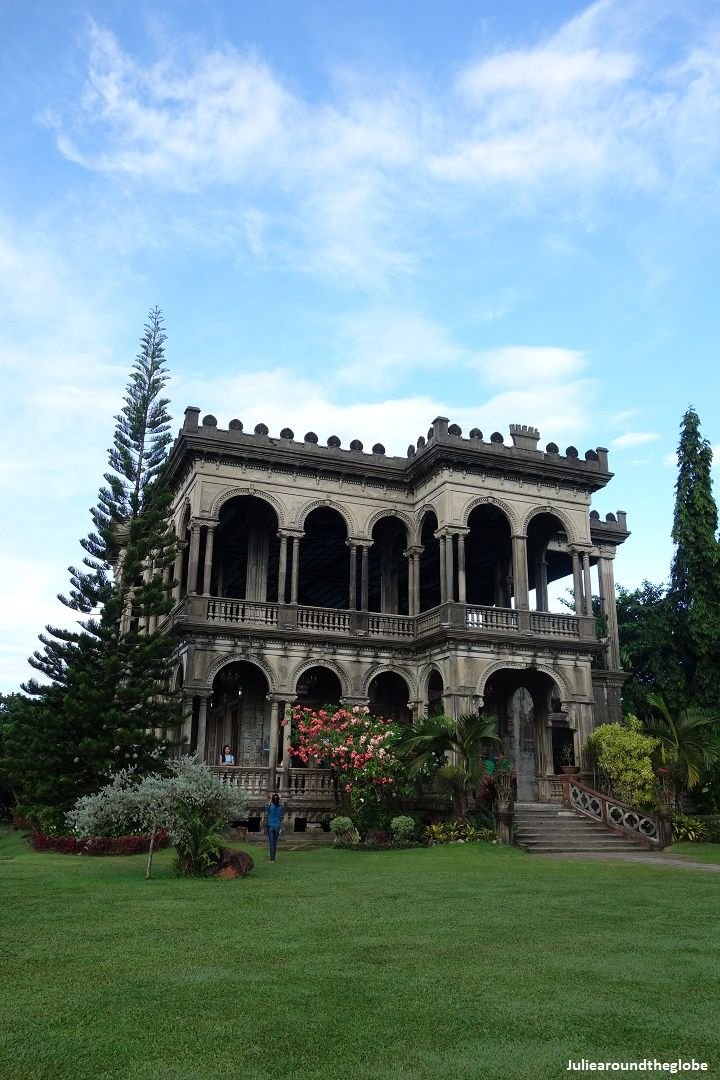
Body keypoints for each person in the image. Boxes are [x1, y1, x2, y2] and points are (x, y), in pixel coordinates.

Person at [265, 792, 285, 863]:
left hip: (270, 826)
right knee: (274, 843)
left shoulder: (270, 806)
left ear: (272, 800)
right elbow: (283, 806)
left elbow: (266, 808)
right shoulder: (280, 807)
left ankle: (272, 859)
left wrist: (271, 798)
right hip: (277, 826)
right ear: (278, 800)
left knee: (271, 843)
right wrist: (280, 798)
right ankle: (273, 859)